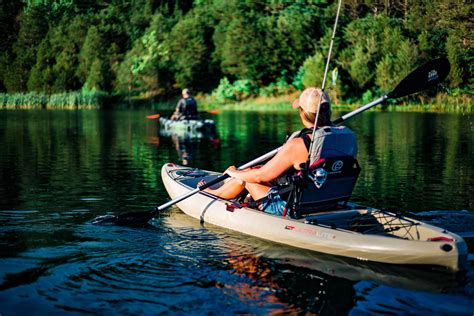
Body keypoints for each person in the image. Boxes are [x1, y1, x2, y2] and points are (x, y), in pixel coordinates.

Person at [198, 87, 332, 216]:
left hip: (290, 206)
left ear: (302, 112)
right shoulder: (347, 136)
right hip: (329, 200)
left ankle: (214, 193)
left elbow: (259, 176)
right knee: (252, 170)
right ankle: (230, 187)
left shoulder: (298, 144)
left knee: (246, 178)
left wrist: (234, 173)